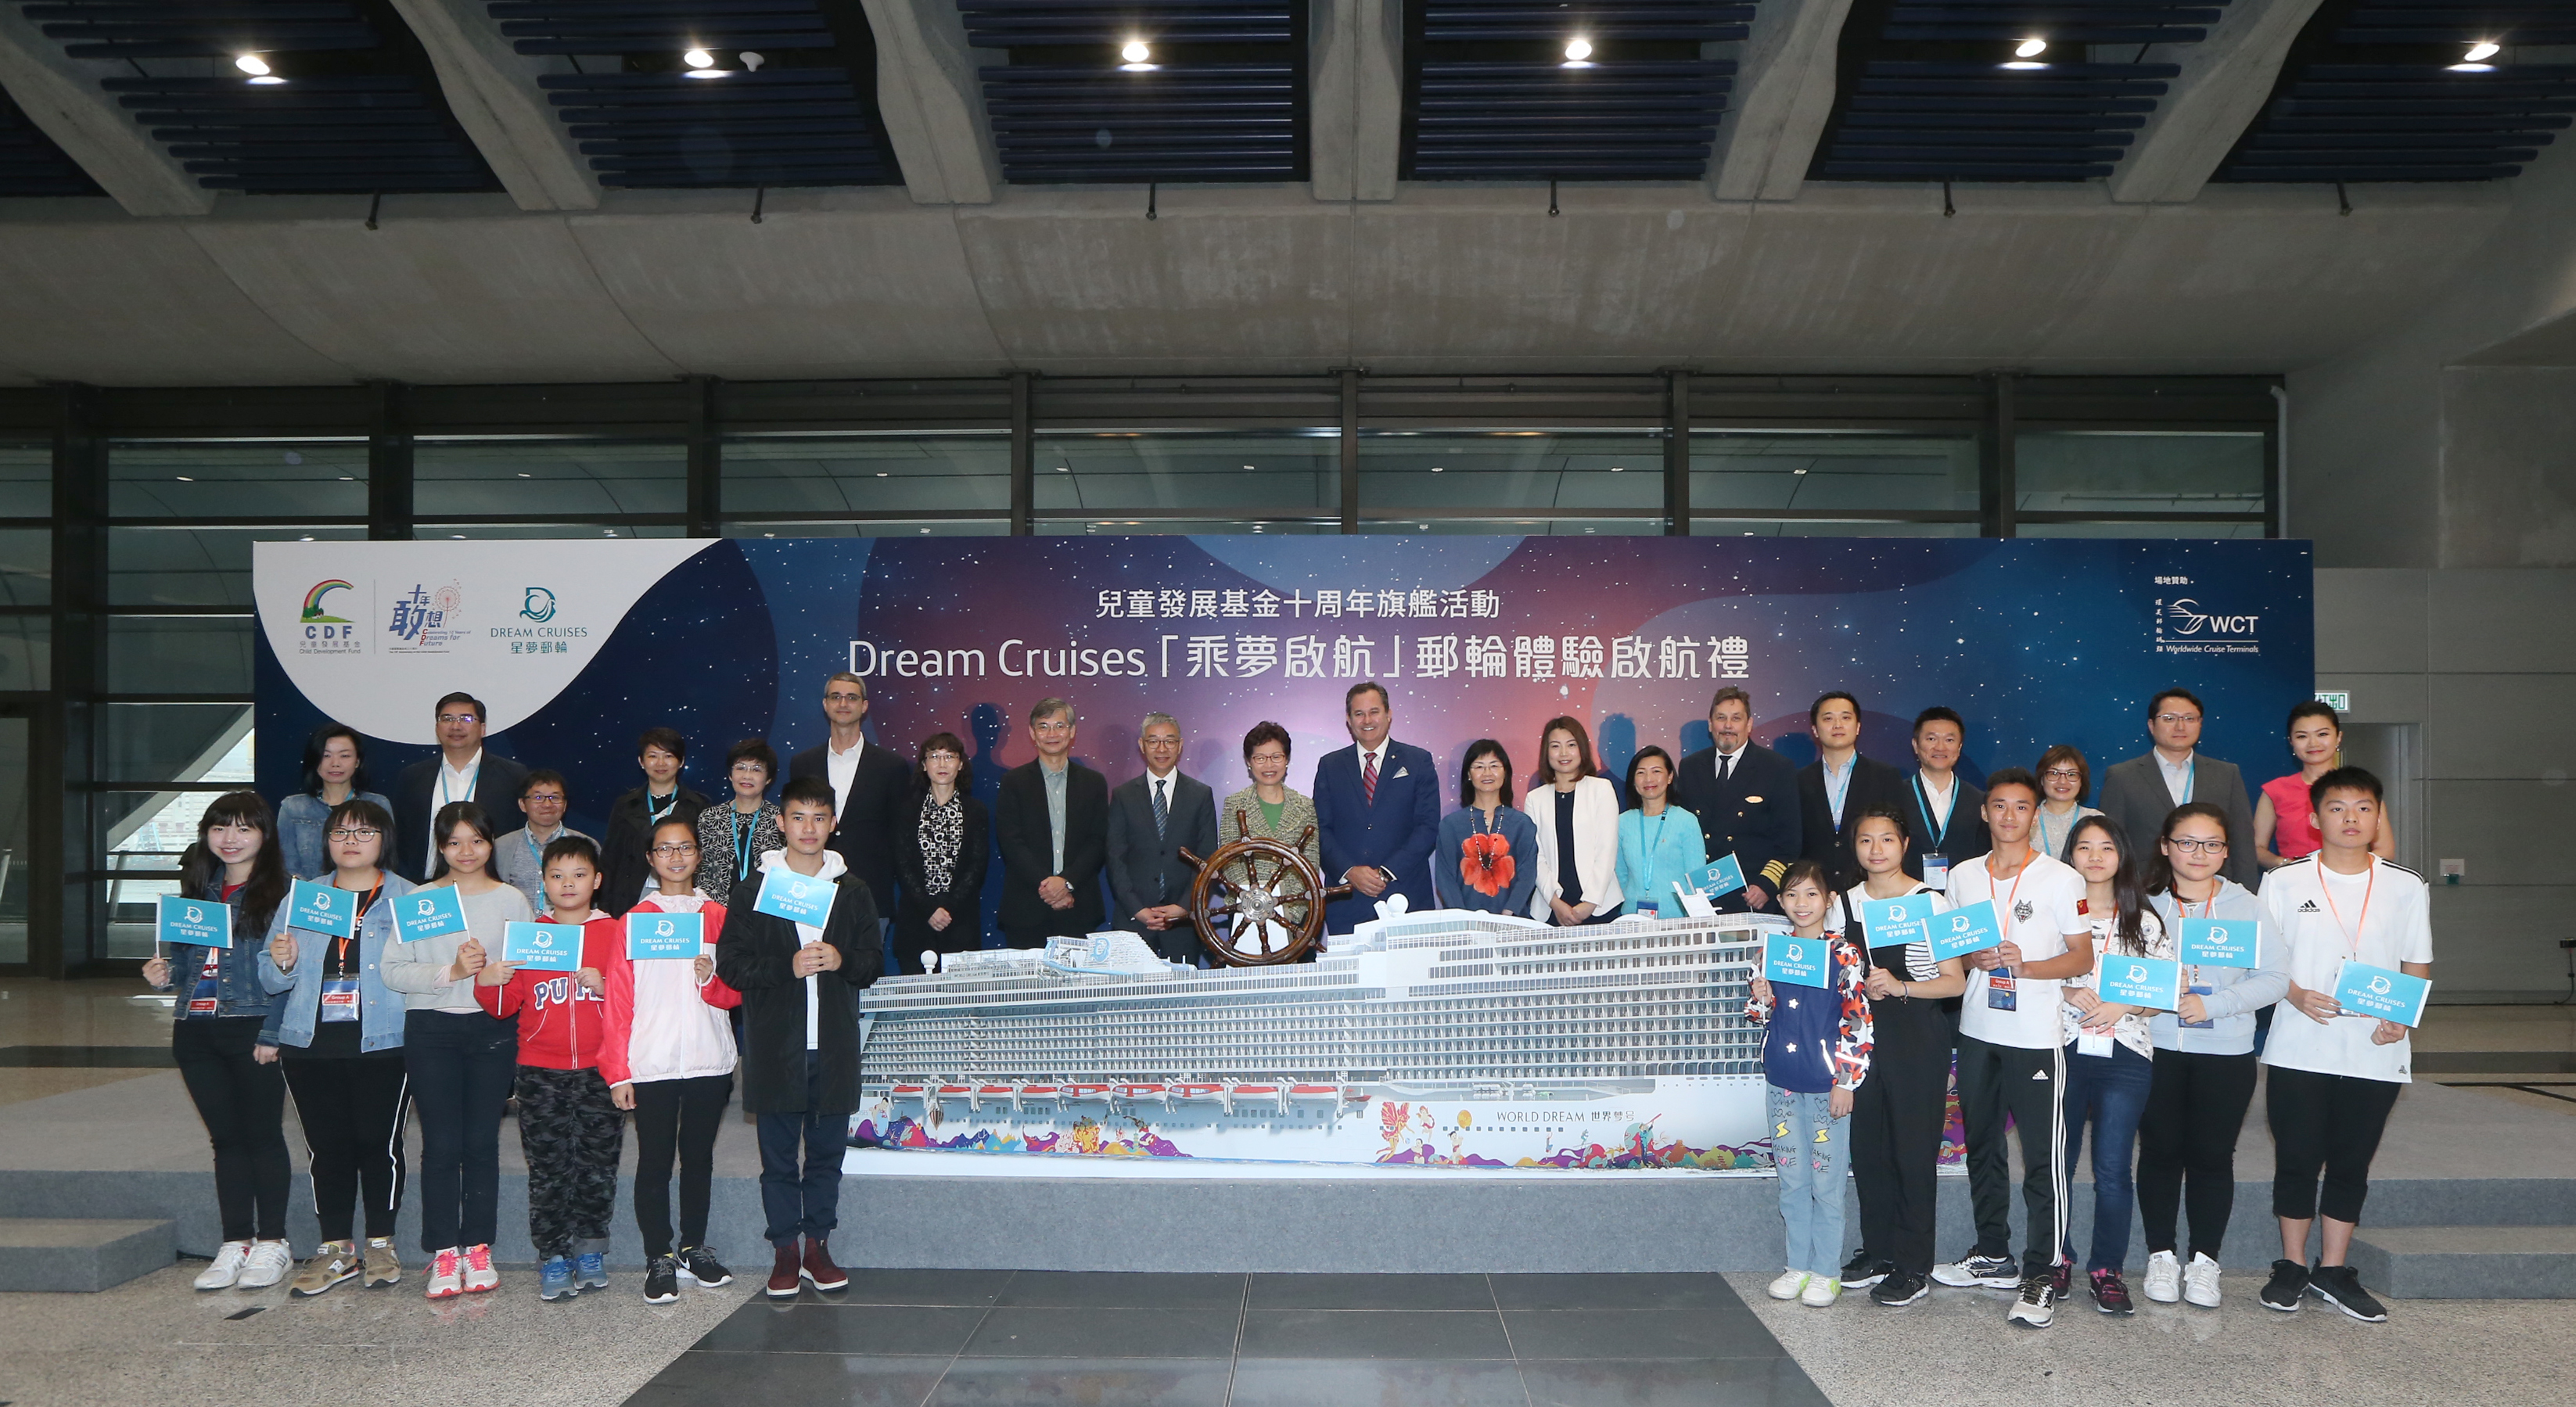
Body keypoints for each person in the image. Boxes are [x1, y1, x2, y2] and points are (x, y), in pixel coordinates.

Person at [2256, 766, 2430, 1323]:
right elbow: (2263, 960)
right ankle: (2290, 1265)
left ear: (2378, 817)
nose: (2350, 817)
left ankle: (2332, 1268)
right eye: (2336, 807)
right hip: (2297, 1044)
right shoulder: (2284, 881)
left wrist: (2398, 1020)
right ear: (2312, 818)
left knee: (2351, 1160)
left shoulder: (2406, 884)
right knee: (2298, 1156)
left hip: (2374, 1049)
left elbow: (2415, 961)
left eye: (2362, 807)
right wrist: (2295, 992)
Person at [1930, 767, 2093, 1331]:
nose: (2007, 816)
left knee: (2042, 1160)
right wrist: (1970, 959)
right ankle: (1991, 1252)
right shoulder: (1962, 875)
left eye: (2019, 807)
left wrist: (2028, 966)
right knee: (1981, 1145)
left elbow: (2080, 957)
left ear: (2033, 812)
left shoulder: (2062, 878)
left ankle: (2042, 1271)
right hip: (1977, 1028)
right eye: (1998, 805)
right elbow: (1953, 948)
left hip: (2035, 1036)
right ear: (1984, 812)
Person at [719, 776, 882, 1298]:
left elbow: (872, 963)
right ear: (780, 822)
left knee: (827, 1156)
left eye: (818, 817)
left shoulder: (851, 890)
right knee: (779, 1159)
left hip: (833, 1047)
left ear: (832, 823)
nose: (808, 828)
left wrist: (842, 959)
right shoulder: (753, 890)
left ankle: (818, 1245)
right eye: (797, 817)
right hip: (776, 1049)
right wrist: (786, 964)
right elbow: (732, 967)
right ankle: (785, 1249)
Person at [257, 798, 412, 1297]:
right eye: (340, 832)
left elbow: (429, 967)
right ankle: (336, 1249)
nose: (350, 841)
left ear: (383, 840)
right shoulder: (304, 897)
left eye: (363, 832)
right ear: (326, 842)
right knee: (326, 1148)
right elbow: (269, 976)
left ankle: (382, 1242)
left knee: (379, 1145)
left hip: (384, 1043)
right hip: (310, 1041)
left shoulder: (408, 898)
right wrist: (281, 961)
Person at [141, 792, 295, 1292]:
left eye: (243, 828)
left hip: (251, 1027)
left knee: (263, 1135)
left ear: (264, 836)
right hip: (195, 1028)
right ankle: (236, 1242)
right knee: (225, 1139)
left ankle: (273, 1242)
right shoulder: (196, 895)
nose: (230, 838)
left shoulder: (283, 895)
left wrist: (272, 1033)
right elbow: (189, 965)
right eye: (219, 827)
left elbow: (290, 974)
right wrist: (165, 974)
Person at [382, 801, 534, 1300]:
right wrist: (451, 972)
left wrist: (494, 977)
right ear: (439, 847)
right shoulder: (420, 899)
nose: (466, 852)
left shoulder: (512, 899)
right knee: (442, 1144)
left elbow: (529, 968)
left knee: (481, 1143)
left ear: (491, 843)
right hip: (431, 1028)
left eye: (476, 840)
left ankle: (479, 1247)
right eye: (453, 842)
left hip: (492, 1030)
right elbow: (393, 970)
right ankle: (444, 1251)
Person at [2139, 801, 2288, 1309]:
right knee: (2158, 1153)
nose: (2197, 853)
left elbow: (2274, 978)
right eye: (2185, 841)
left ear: (2224, 851)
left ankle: (2205, 1261)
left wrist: (2214, 1003)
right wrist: (2154, 993)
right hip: (2155, 1046)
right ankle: (2160, 1253)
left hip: (2224, 1050)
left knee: (2210, 1156)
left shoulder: (2246, 905)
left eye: (2210, 843)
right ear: (2165, 845)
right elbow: (2120, 972)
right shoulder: (2144, 904)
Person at [475, 835, 621, 1301]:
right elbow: (503, 1005)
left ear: (597, 881)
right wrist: (489, 981)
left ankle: (591, 1248)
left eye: (579, 875)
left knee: (598, 1165)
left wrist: (606, 986)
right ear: (544, 883)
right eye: (557, 876)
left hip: (601, 1069)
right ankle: (553, 1254)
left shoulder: (615, 932)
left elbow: (636, 1000)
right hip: (539, 1070)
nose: (568, 884)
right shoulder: (529, 934)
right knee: (548, 1168)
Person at [602, 819, 742, 1304]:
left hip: (709, 1059)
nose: (676, 856)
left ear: (699, 854)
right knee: (655, 1160)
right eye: (665, 849)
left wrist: (711, 979)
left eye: (685, 847)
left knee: (699, 1158)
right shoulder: (633, 920)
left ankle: (693, 1247)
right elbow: (619, 1001)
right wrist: (618, 1070)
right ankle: (657, 1255)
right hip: (651, 1062)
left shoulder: (720, 916)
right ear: (650, 858)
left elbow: (736, 992)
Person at [1834, 806, 1964, 1308]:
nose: (1876, 849)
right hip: (1860, 1041)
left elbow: (1955, 979)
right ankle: (1880, 1250)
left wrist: (1904, 985)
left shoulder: (1931, 902)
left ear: (1904, 843)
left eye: (1886, 839)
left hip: (1917, 1038)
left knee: (1912, 1150)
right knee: (1868, 1151)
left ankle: (1914, 1264)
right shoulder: (1842, 902)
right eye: (1866, 840)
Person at [2054, 815, 2172, 1317]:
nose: (2095, 857)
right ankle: (2055, 1257)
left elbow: (2163, 993)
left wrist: (2123, 1005)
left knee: (2112, 1169)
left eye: (2107, 847)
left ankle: (2107, 1268)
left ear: (2122, 855)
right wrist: (2065, 988)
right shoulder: (2054, 914)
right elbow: (2027, 977)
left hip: (2125, 1054)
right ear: (2070, 856)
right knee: (2055, 1164)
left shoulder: (2144, 921)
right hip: (2060, 1047)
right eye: (2084, 847)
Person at [1746, 860, 1872, 1308]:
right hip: (1781, 1082)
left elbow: (1858, 1020)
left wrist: (1847, 1081)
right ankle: (1797, 1266)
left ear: (1829, 901)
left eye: (1812, 894)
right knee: (1792, 1179)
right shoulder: (1771, 952)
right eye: (1793, 895)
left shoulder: (1845, 954)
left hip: (1826, 1087)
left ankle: (1826, 1272)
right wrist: (1761, 999)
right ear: (1781, 902)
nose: (1802, 904)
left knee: (1826, 1180)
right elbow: (1759, 1018)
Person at [788, 672, 913, 960]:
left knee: (861, 980)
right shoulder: (803, 763)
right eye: (836, 697)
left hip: (870, 892)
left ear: (865, 706)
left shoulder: (891, 766)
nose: (843, 703)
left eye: (852, 697)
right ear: (825, 704)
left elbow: (901, 834)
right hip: (810, 890)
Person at [2098, 688, 2259, 890]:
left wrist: (2246, 894)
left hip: (2214, 891)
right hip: (2145, 890)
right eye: (2169, 718)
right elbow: (2111, 842)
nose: (2180, 726)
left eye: (2189, 718)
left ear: (2200, 724)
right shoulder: (2122, 776)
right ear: (2151, 725)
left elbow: (2242, 840)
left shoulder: (2227, 774)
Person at [1314, 681, 1441, 932]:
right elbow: (1320, 829)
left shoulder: (1417, 761)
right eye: (1359, 714)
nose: (1367, 720)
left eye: (1374, 712)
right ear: (1349, 720)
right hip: (1347, 897)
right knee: (1352, 972)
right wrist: (1349, 871)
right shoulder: (1331, 766)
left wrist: (1386, 872)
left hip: (1405, 894)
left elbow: (1427, 827)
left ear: (1388, 714)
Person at [1670, 687, 1801, 913]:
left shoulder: (1776, 768)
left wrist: (1766, 885)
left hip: (1753, 896)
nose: (1728, 726)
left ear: (1749, 725)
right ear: (1710, 724)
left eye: (1736, 718)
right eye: (1721, 718)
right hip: (1703, 899)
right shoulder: (1691, 767)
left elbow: (1790, 843)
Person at [995, 698, 1110, 946]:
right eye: (1043, 726)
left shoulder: (1094, 783)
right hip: (1026, 908)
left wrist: (1067, 883)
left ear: (1072, 732)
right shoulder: (1013, 783)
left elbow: (1098, 840)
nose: (1052, 734)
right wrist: (1048, 886)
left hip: (1079, 906)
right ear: (1032, 733)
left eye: (1059, 725)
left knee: (1078, 986)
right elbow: (1011, 842)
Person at [1106, 712, 1220, 963]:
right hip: (1133, 919)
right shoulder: (1123, 795)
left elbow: (1207, 856)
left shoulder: (1200, 795)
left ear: (1180, 746)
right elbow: (1115, 858)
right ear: (1141, 746)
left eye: (1169, 741)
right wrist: (1138, 909)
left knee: (1181, 997)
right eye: (1153, 741)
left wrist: (1183, 907)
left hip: (1183, 922)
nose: (1162, 748)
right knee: (1128, 998)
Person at [391, 692, 530, 882]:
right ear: (437, 728)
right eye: (447, 719)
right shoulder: (412, 777)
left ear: (482, 729)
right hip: (426, 889)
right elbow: (401, 838)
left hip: (491, 887)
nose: (456, 726)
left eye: (466, 718)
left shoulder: (514, 776)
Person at [1217, 722, 1321, 959]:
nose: (1269, 765)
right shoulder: (1234, 804)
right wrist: (1255, 901)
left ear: (1287, 760)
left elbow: (1311, 863)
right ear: (1248, 762)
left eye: (1276, 756)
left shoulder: (1305, 806)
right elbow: (1229, 861)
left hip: (1297, 916)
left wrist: (1285, 908)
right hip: (1246, 912)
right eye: (1260, 758)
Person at [2257, 701, 2395, 868]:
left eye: (2322, 734)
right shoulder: (2275, 791)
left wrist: (2346, 872)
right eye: (2302, 736)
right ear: (2291, 742)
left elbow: (2384, 850)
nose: (2313, 743)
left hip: (2353, 881)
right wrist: (2285, 864)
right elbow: (2256, 848)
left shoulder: (2362, 789)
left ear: (2338, 737)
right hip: (2296, 881)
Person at [1794, 692, 1908, 891]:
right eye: (1828, 718)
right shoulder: (1798, 781)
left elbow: (1898, 835)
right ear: (1815, 730)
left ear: (1858, 727)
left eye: (1845, 718)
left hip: (1869, 889)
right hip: (1814, 892)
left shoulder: (1885, 776)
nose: (1837, 725)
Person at [893, 732, 988, 971]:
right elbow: (902, 865)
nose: (942, 763)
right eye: (934, 756)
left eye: (950, 756)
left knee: (960, 1002)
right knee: (915, 1001)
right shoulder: (907, 810)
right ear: (924, 765)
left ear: (961, 764)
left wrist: (947, 908)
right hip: (916, 919)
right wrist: (929, 908)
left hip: (960, 920)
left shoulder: (976, 811)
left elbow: (977, 866)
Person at [602, 727, 710, 917]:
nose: (661, 763)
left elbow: (706, 860)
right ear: (641, 762)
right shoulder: (625, 805)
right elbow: (610, 860)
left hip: (683, 896)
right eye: (653, 756)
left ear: (681, 761)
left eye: (668, 756)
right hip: (631, 896)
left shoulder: (699, 806)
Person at [1525, 716, 1622, 925]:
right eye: (1555, 746)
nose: (1563, 753)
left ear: (1582, 749)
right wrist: (1555, 903)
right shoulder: (1535, 798)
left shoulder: (1601, 789)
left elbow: (1606, 851)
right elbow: (1535, 856)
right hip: (1551, 908)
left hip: (1598, 907)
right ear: (1546, 752)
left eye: (1571, 745)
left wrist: (1589, 904)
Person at [1434, 740, 1539, 915]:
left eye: (1494, 765)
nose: (1487, 773)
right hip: (1464, 928)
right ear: (1468, 774)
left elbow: (1527, 876)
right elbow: (1445, 879)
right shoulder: (1450, 825)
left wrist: (1509, 915)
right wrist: (1464, 919)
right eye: (1479, 766)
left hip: (1514, 925)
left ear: (1505, 772)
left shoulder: (1522, 824)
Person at [278, 724, 391, 881]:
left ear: (357, 761)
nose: (335, 763)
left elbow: (386, 860)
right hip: (309, 899)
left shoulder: (378, 804)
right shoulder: (293, 808)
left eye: (344, 756)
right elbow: (286, 866)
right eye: (326, 756)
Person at [1615, 747, 1706, 918]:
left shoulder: (1686, 821)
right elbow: (1620, 875)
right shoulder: (1622, 822)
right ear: (1633, 781)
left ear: (1670, 777)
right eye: (1641, 773)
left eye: (1656, 771)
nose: (1649, 779)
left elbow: (1695, 879)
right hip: (1632, 920)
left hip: (1678, 922)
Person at [1899, 708, 1986, 886]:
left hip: (1963, 899)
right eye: (1931, 739)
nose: (1940, 747)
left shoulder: (1979, 800)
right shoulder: (1894, 795)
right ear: (1916, 745)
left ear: (1959, 747)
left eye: (1949, 740)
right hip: (1909, 899)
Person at [698, 739, 785, 910]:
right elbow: (702, 872)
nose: (747, 776)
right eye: (740, 768)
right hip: (717, 912)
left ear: (769, 778)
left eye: (757, 769)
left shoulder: (781, 819)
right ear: (730, 774)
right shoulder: (710, 817)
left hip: (767, 912)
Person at [494, 770, 589, 915]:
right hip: (517, 931)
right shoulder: (501, 847)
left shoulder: (586, 845)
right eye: (538, 797)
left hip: (569, 930)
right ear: (522, 804)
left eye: (555, 797)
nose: (547, 804)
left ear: (564, 805)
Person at [2031, 745, 2101, 862]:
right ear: (2042, 779)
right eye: (2054, 773)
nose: (2063, 781)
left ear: (2082, 781)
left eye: (2072, 774)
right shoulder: (2026, 818)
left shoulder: (2095, 819)